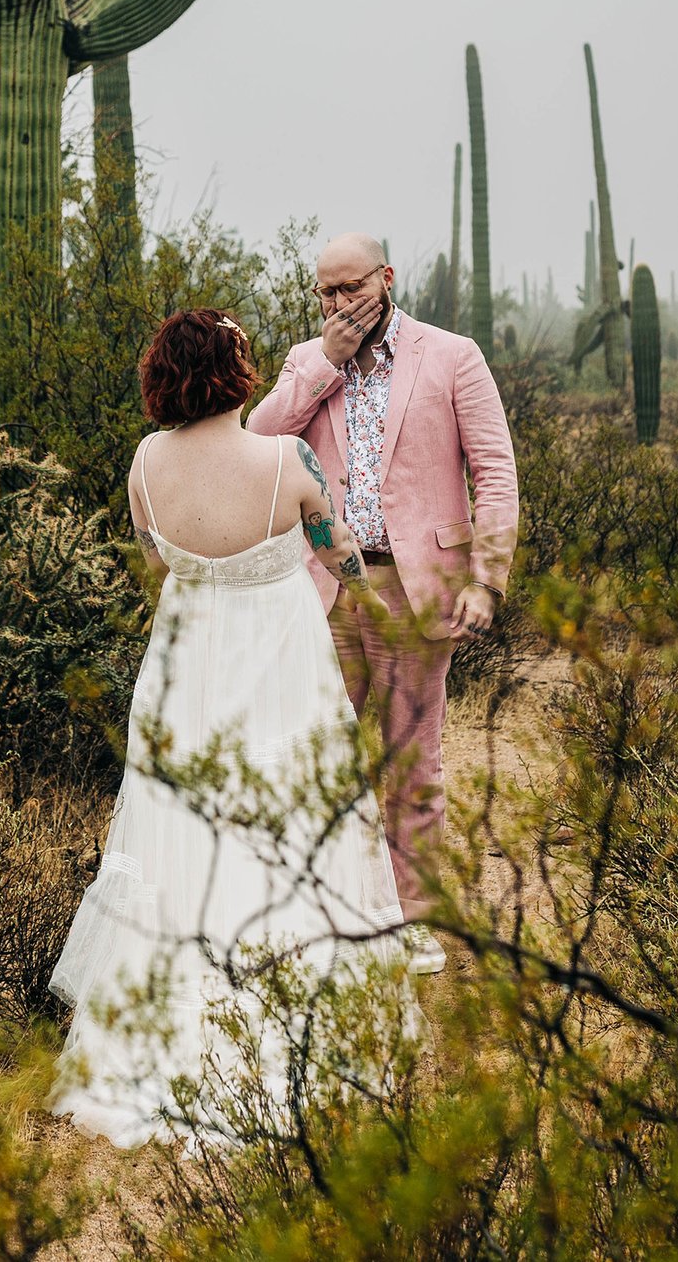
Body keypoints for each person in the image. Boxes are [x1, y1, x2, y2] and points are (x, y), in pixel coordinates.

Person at [47, 308, 419, 1152]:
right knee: (286, 821)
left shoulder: (146, 463)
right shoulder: (284, 459)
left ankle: (161, 1026)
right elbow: (338, 555)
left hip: (185, 660)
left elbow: (155, 557)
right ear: (234, 370)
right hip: (277, 660)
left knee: (183, 826)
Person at [248, 234, 519, 975]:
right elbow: (258, 445)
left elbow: (494, 472)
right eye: (325, 294)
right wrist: (323, 365)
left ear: (387, 278)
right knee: (316, 756)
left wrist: (486, 579)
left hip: (414, 586)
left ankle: (412, 921)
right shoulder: (308, 362)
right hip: (326, 588)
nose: (338, 304)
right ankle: (319, 915)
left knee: (410, 761)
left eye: (350, 288)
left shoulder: (452, 355)